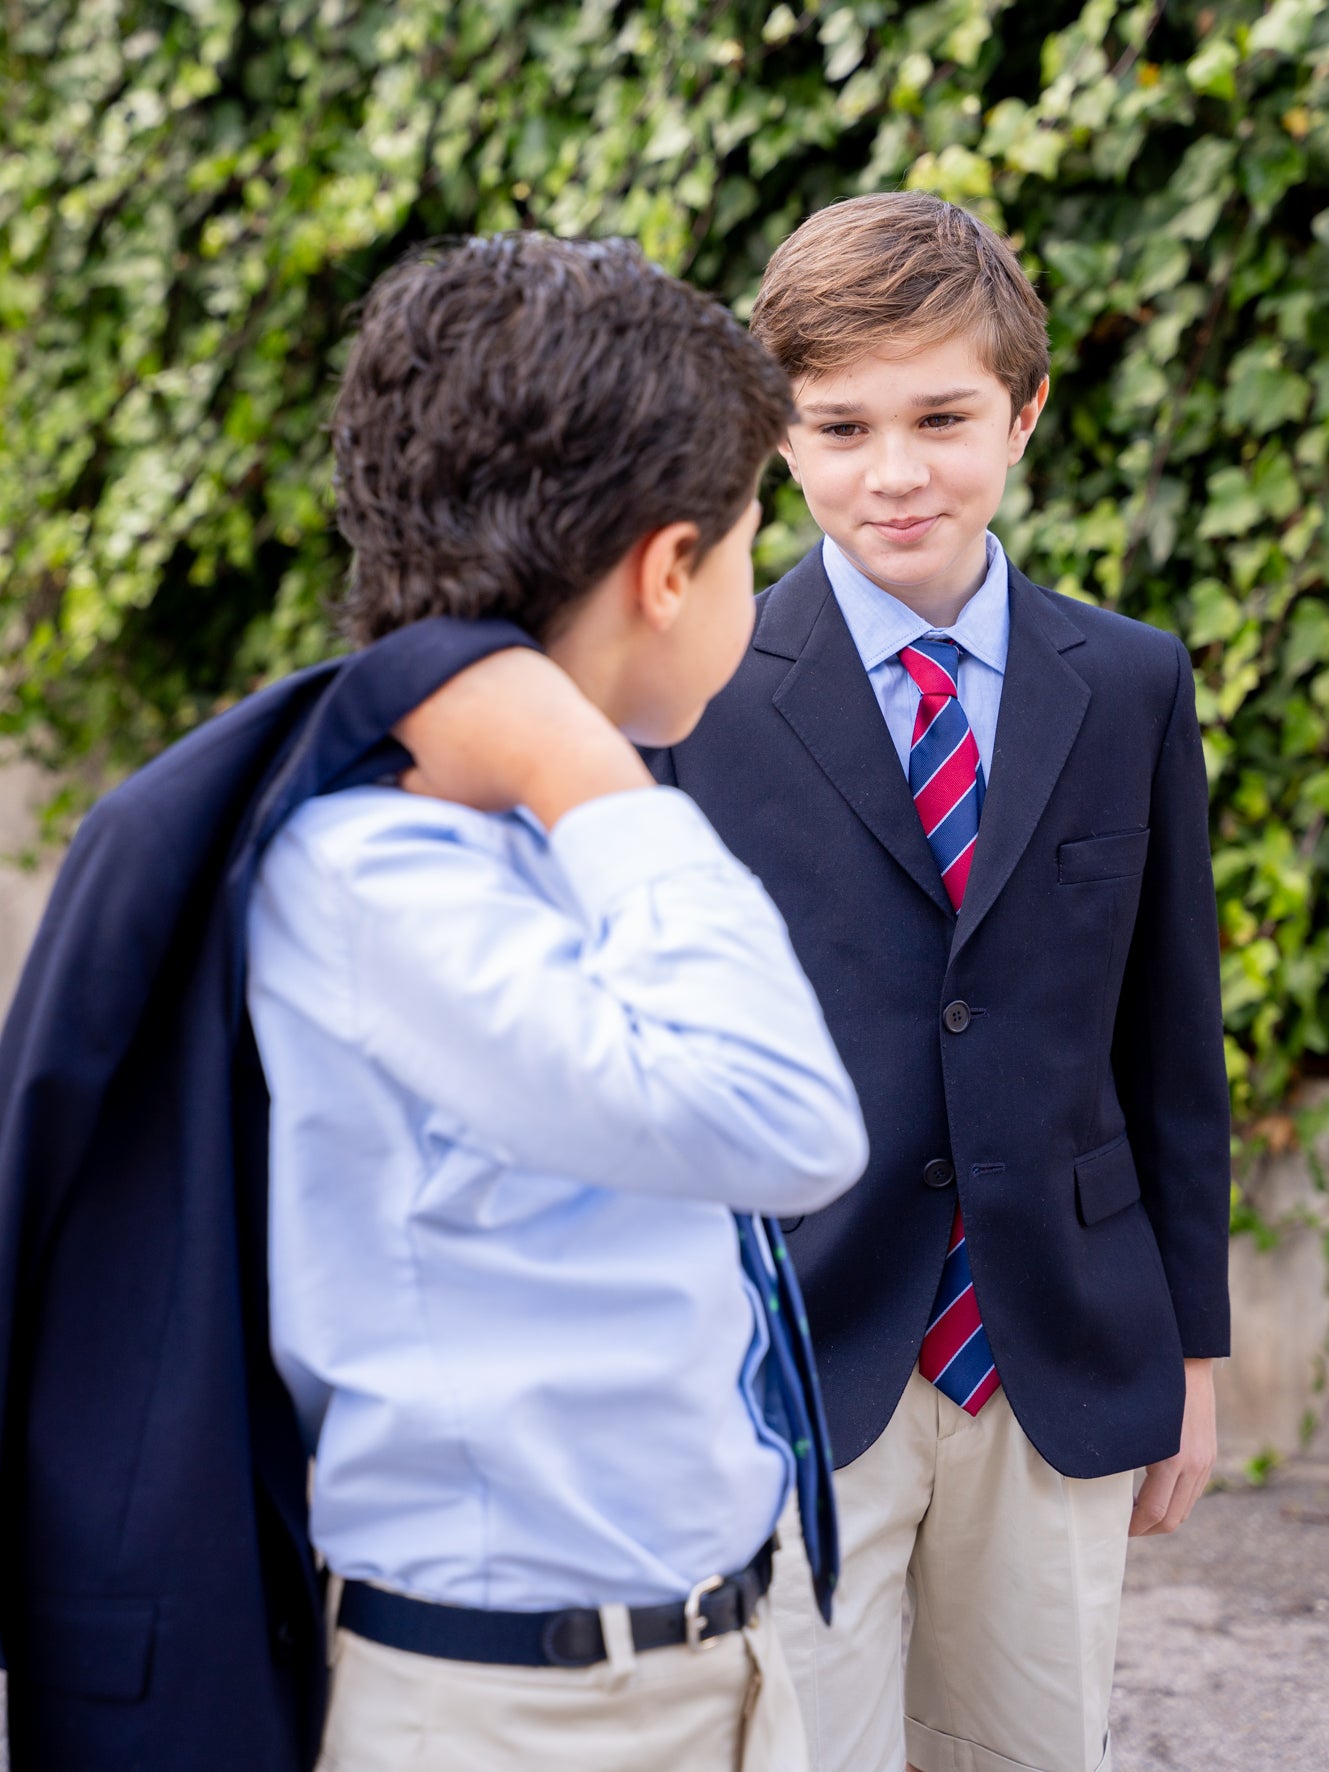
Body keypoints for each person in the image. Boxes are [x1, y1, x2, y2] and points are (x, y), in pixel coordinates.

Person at [243, 232, 869, 1772]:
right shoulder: (382, 878)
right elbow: (783, 1122)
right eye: (743, 547)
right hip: (513, 1714)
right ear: (669, 569)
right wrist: (588, 767)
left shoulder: (560, 846)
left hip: (709, 1661)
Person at [642, 192, 1231, 1772]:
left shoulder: (1125, 682)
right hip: (792, 1357)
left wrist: (1189, 1349)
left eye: (941, 418)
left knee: (1031, 1743)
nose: (891, 471)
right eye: (838, 425)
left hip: (1050, 1342)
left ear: (1024, 414)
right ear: (776, 434)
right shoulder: (691, 703)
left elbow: (1168, 1039)